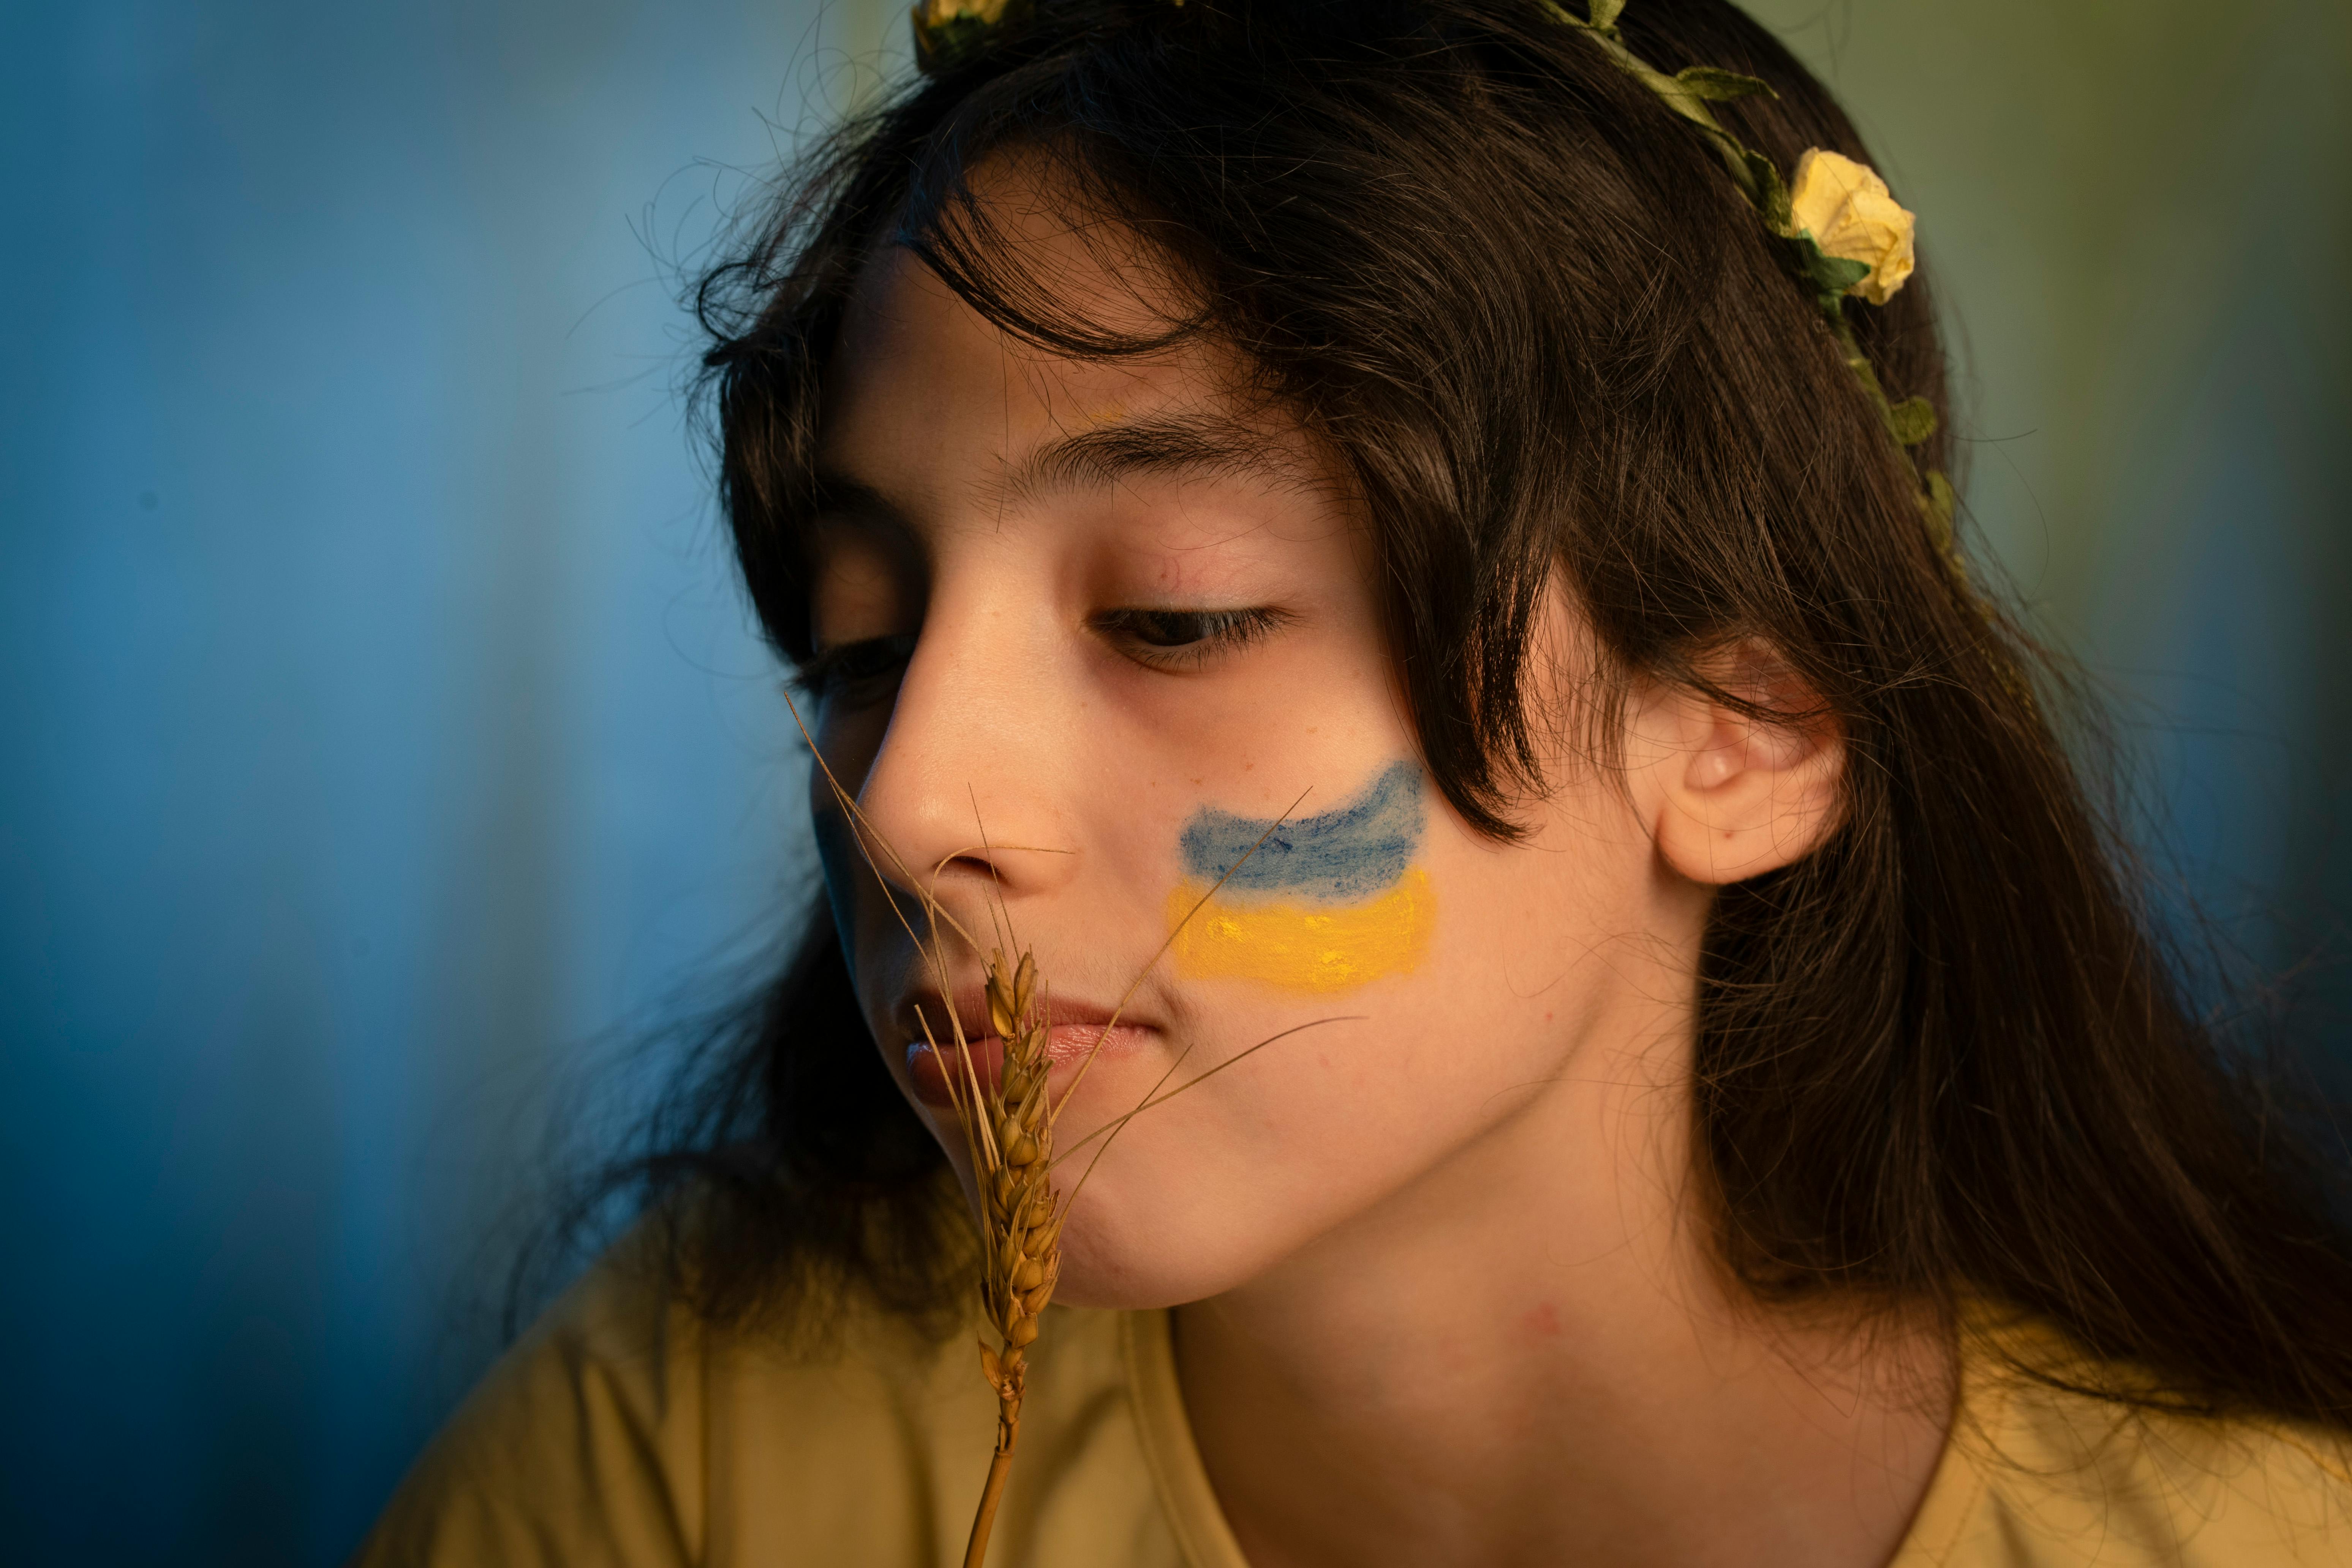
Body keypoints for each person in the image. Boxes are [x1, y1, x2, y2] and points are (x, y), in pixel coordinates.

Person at [355, 0, 2352, 1562]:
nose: (905, 802)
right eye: (863, 643)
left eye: (1175, 618)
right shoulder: (695, 1446)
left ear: (1746, 726)